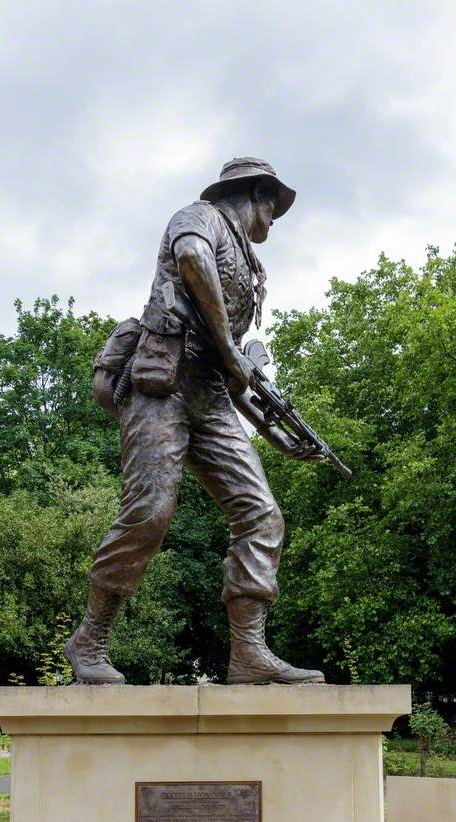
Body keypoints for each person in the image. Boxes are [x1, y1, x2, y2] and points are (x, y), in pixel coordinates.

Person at [66, 157, 325, 685]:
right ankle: (88, 641)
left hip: (211, 395)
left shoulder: (253, 270)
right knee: (151, 510)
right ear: (255, 195)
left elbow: (236, 378)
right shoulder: (200, 218)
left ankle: (248, 654)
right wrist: (231, 348)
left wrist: (282, 438)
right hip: (162, 384)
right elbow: (190, 258)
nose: (271, 225)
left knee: (262, 515)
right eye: (272, 212)